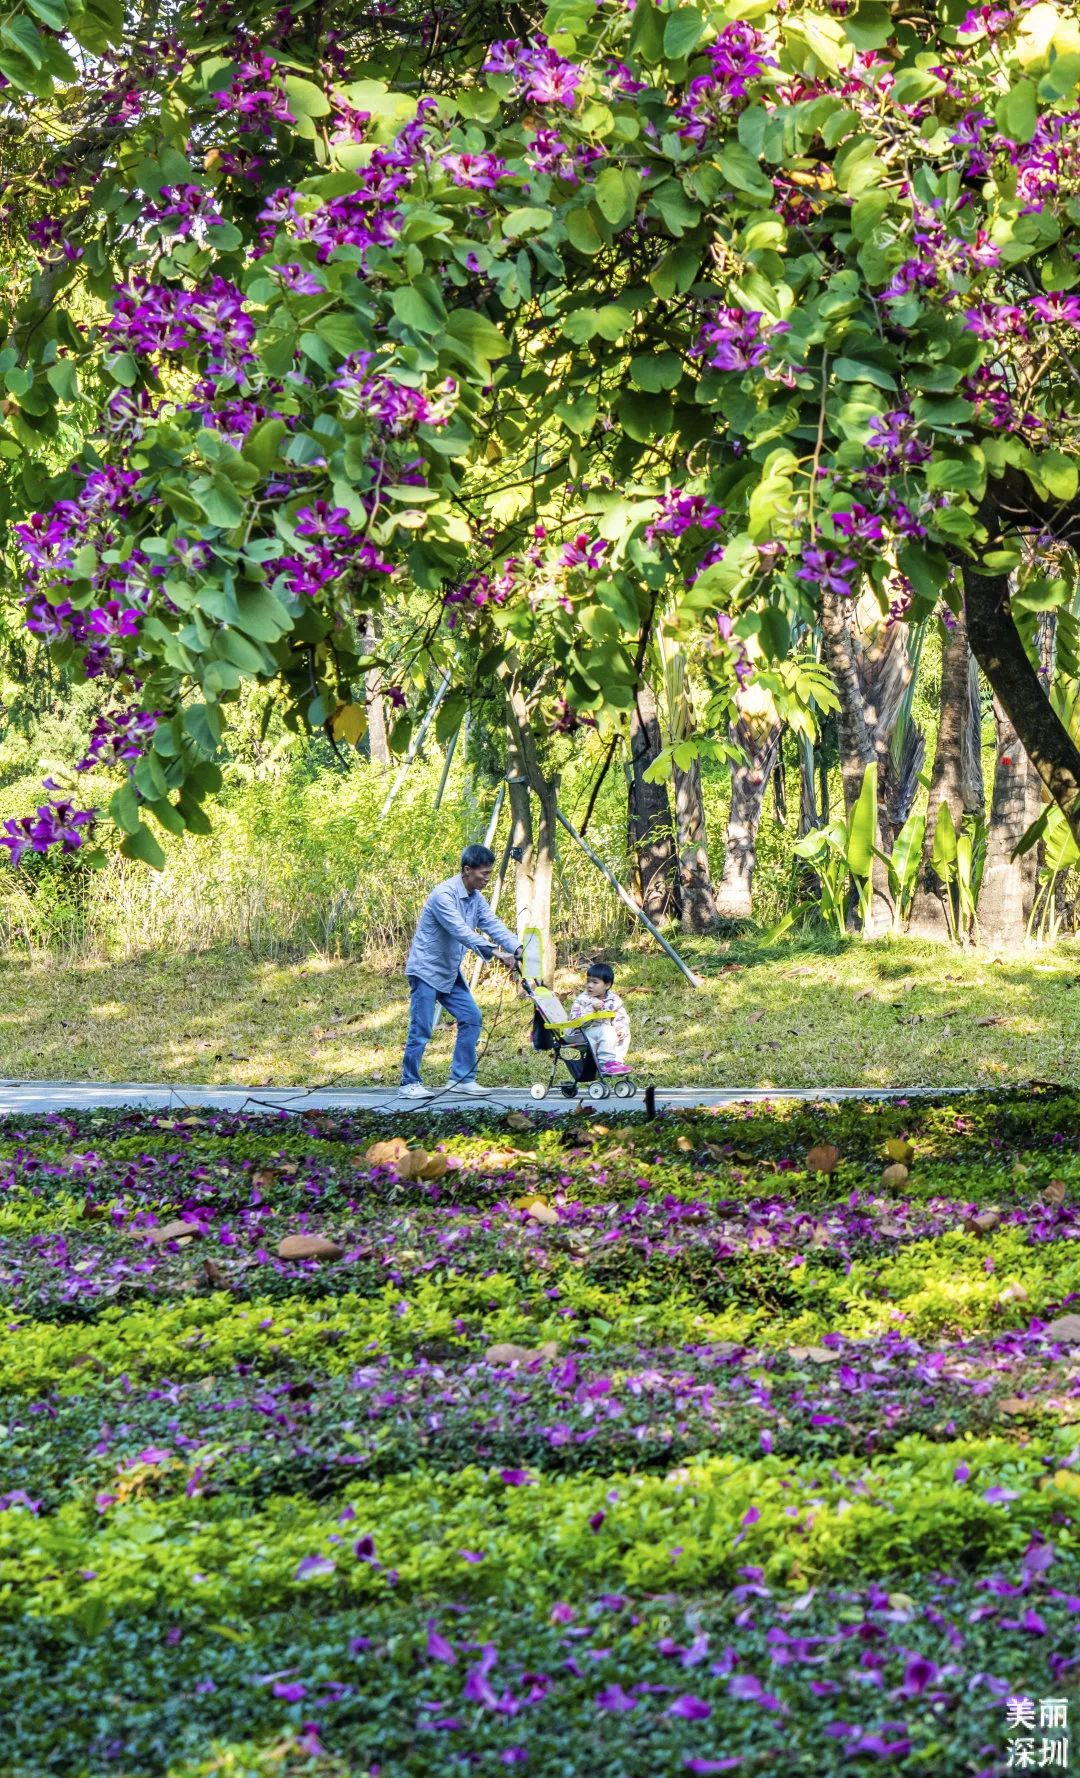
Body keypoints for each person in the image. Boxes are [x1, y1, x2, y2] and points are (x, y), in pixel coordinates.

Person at [399, 844, 522, 1097]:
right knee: (421, 1027)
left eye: (489, 874)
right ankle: (409, 1083)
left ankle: (462, 1078)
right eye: (484, 874)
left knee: (471, 1018)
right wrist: (496, 952)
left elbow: (492, 924)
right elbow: (460, 931)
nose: (487, 878)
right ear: (467, 870)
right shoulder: (443, 895)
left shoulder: (476, 899)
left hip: (448, 971)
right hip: (425, 969)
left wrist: (518, 948)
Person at [567, 960, 631, 1077]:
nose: (590, 985)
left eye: (595, 982)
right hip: (583, 1033)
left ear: (607, 985)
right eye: (588, 981)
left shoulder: (614, 1000)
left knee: (623, 1034)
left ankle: (616, 1062)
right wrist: (591, 1009)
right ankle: (606, 1063)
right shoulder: (583, 999)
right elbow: (574, 1019)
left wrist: (620, 1029)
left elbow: (620, 1016)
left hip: (604, 1034)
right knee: (606, 1030)